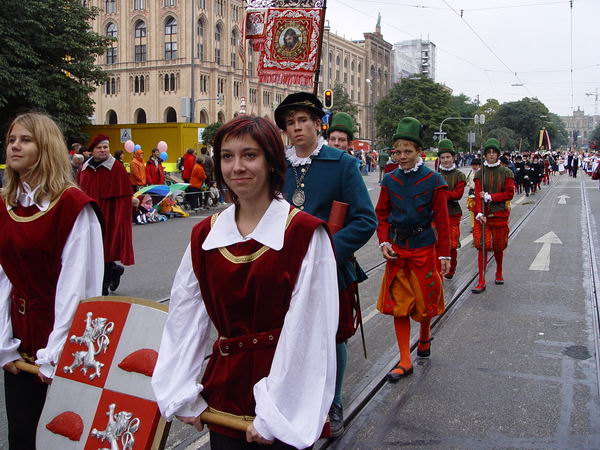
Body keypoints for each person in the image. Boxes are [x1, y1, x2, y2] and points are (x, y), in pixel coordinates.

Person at [152, 116, 338, 449]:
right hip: (225, 393)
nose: (237, 167)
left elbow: (310, 332)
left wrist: (276, 413)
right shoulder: (205, 235)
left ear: (271, 161)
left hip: (287, 399)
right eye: (227, 156)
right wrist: (180, 390)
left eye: (249, 155)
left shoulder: (304, 234)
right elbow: (184, 317)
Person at [274, 92, 377, 436]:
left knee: (333, 336)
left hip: (329, 266)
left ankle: (334, 399)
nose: (297, 127)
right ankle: (292, 398)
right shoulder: (277, 166)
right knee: (287, 336)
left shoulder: (342, 163)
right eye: (290, 122)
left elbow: (364, 220)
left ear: (318, 124)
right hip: (285, 268)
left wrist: (326, 252)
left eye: (303, 120)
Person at [0, 112, 103, 448]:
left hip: (61, 344)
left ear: (45, 147)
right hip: (18, 343)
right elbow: (4, 278)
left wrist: (58, 350)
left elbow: (78, 287)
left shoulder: (72, 206)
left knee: (61, 438)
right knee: (22, 436)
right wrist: (4, 344)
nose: (15, 146)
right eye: (11, 140)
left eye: (25, 140)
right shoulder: (5, 205)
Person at [375, 117, 449, 382]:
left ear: (419, 152)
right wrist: (384, 241)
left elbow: (442, 220)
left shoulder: (434, 180)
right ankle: (405, 360)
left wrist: (445, 254)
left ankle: (425, 337)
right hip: (397, 251)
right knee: (400, 306)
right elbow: (381, 214)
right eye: (398, 151)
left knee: (426, 303)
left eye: (408, 151)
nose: (402, 156)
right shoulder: (389, 179)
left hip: (424, 250)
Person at [78, 134, 135, 296]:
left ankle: (102, 285)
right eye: (99, 148)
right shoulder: (84, 168)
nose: (103, 150)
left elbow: (124, 195)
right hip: (89, 214)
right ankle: (114, 270)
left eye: (106, 147)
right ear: (92, 150)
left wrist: (121, 219)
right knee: (91, 250)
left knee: (104, 249)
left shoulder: (116, 167)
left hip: (109, 215)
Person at [471, 138, 515, 293]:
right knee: (481, 246)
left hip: (499, 215)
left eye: (494, 152)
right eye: (488, 152)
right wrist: (479, 212)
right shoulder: (479, 174)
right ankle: (481, 280)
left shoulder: (506, 172)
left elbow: (509, 194)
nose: (491, 155)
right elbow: (478, 195)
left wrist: (491, 197)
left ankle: (499, 272)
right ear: (484, 155)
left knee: (498, 247)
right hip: (483, 216)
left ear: (498, 154)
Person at [437, 139, 466, 279]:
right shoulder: (434, 175)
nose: (445, 160)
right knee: (437, 243)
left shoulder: (459, 175)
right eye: (442, 157)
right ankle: (438, 268)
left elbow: (458, 195)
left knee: (452, 244)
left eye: (448, 157)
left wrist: (440, 194)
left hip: (452, 213)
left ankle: (451, 268)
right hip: (436, 214)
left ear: (453, 157)